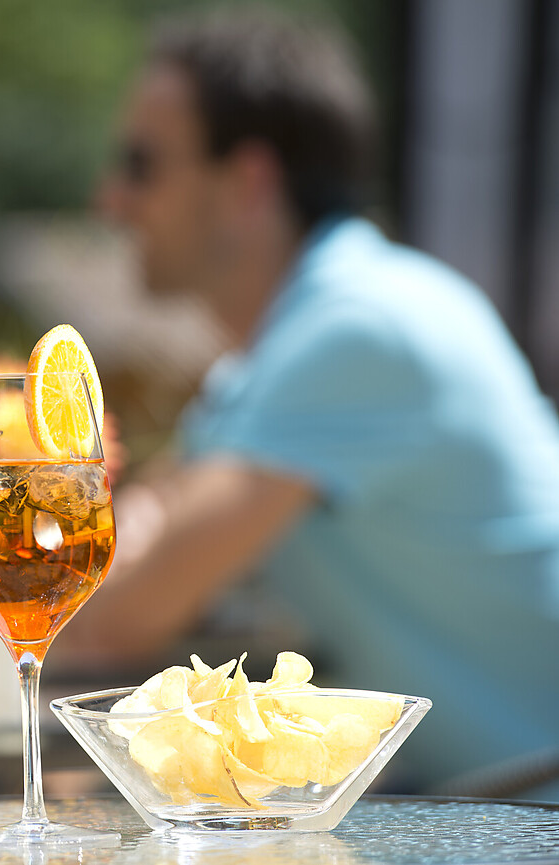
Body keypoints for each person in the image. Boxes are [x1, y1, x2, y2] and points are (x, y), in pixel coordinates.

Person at [61, 8, 559, 800]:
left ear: (247, 182)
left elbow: (106, 617)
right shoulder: (293, 343)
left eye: (141, 164)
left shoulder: (358, 329)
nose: (110, 198)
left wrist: (156, 535)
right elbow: (142, 534)